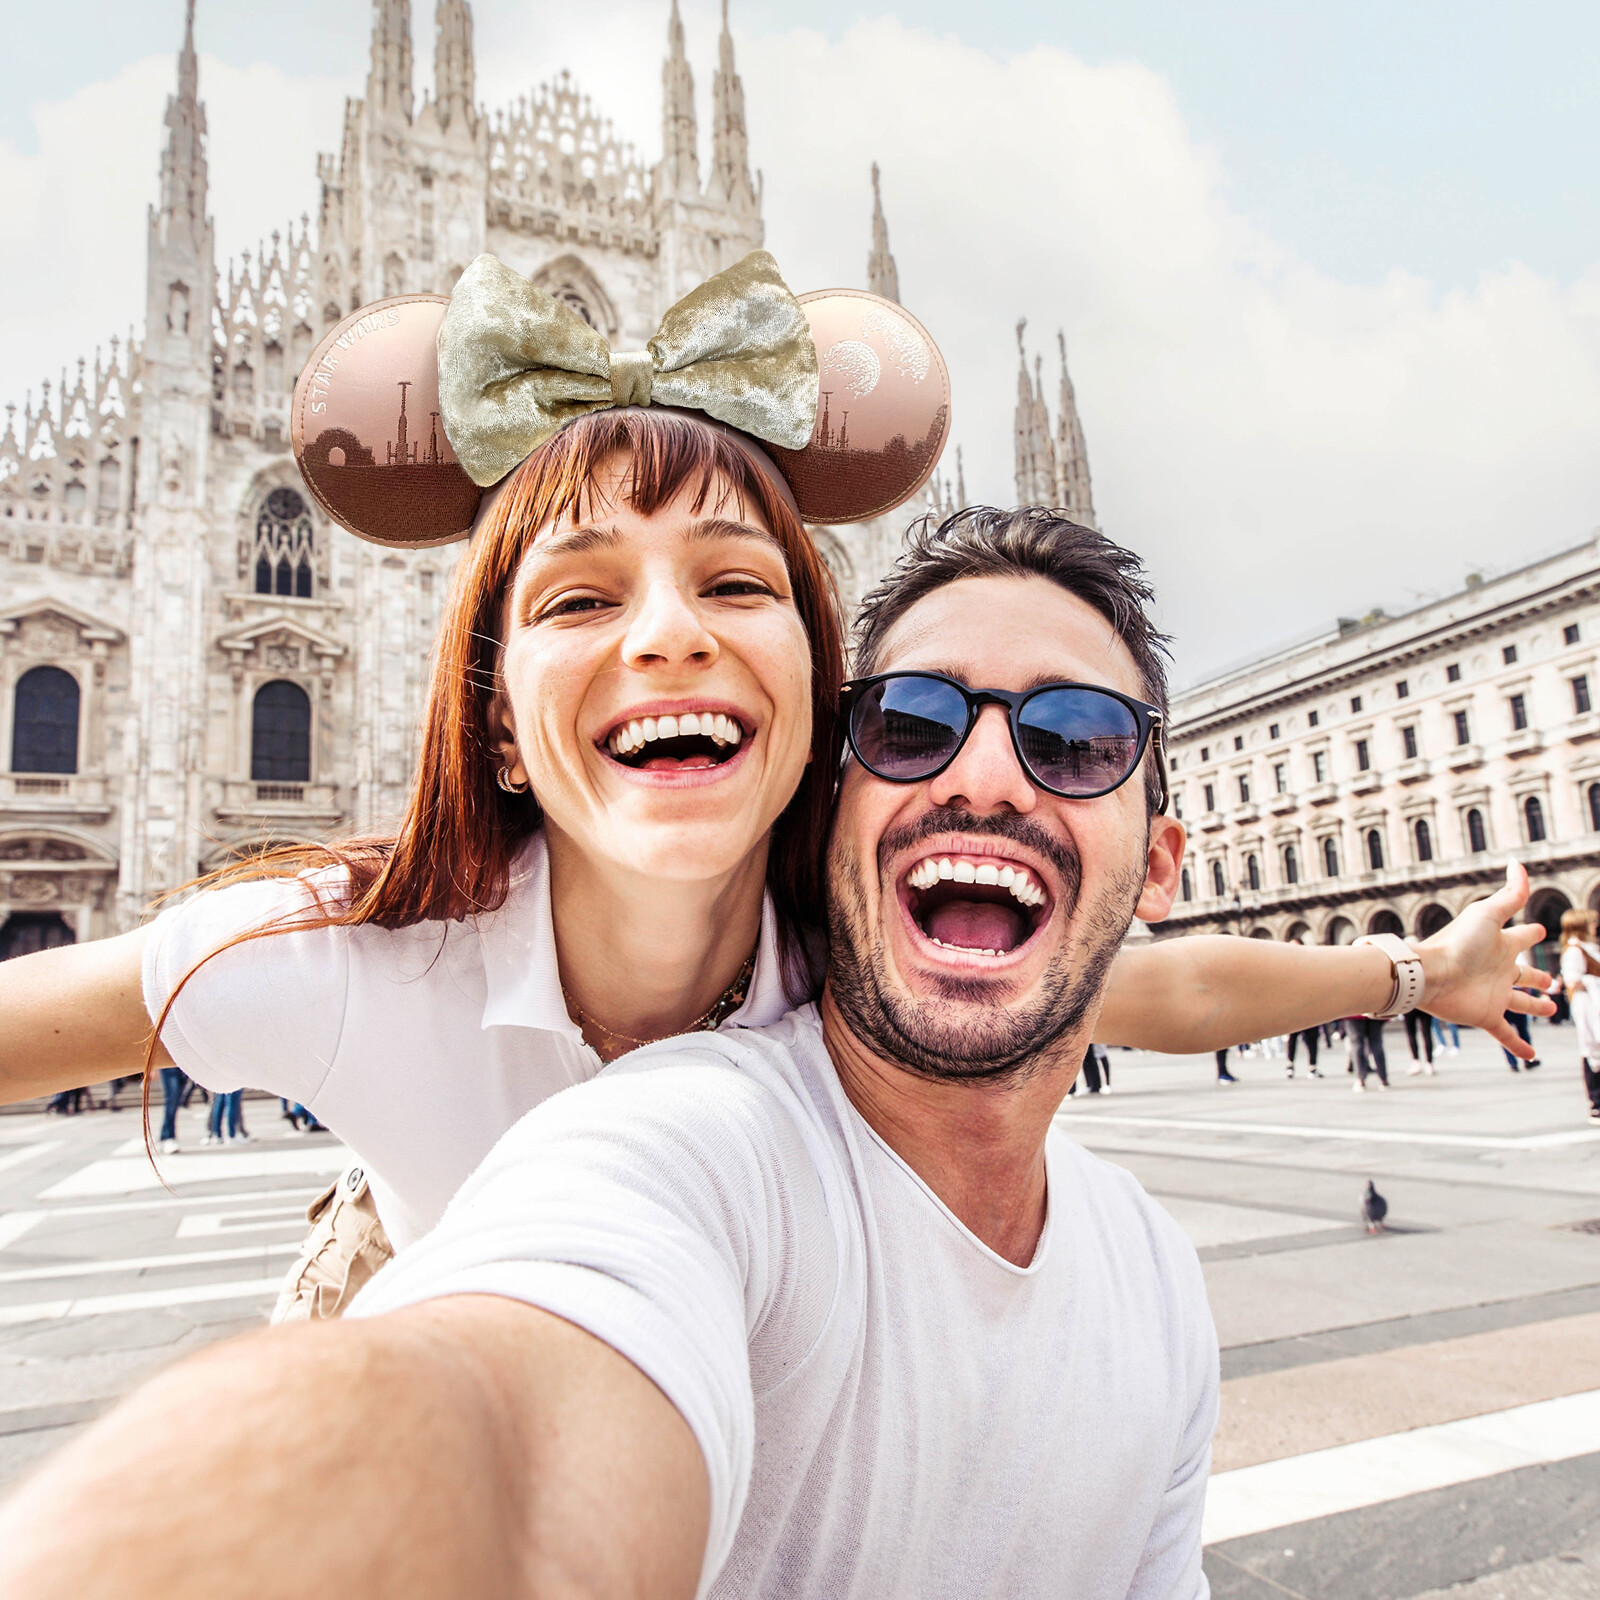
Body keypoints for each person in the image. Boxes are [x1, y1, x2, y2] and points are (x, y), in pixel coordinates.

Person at [0, 512, 1552, 1600]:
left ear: (800, 741)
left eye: (1074, 739)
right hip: (421, 1274)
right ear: (487, 723)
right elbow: (483, 1430)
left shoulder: (838, 944)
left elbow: (1148, 988)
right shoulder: (368, 953)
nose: (666, 641)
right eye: (922, 723)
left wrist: (1415, 968)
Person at [1558, 909, 1600, 1122]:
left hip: (1595, 1003)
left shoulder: (1588, 947)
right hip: (1588, 1006)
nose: (1596, 925)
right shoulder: (1574, 950)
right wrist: (1595, 982)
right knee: (1591, 1050)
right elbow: (1572, 980)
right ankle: (1596, 1103)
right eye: (1592, 922)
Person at [1348, 1014, 1389, 1091]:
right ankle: (1383, 1079)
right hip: (1374, 1012)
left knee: (1357, 1045)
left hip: (1355, 1013)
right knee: (1376, 1044)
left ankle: (1360, 1079)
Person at [1403, 1006, 1435, 1075]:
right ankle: (1429, 1063)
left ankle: (1416, 1062)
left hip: (1410, 1004)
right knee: (1427, 1033)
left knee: (1411, 1034)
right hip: (1424, 1004)